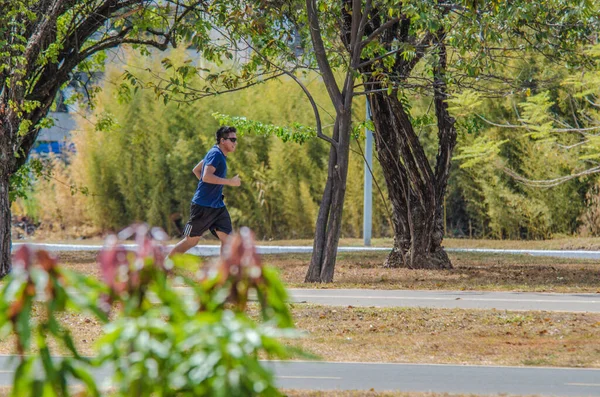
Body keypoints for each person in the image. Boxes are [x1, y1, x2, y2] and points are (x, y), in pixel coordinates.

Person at [168, 126, 241, 258]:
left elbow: (196, 170)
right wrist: (230, 182)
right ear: (222, 140)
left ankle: (223, 274)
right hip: (203, 206)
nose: (235, 142)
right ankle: (164, 266)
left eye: (236, 140)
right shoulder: (216, 154)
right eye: (233, 139)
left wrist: (210, 189)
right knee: (191, 241)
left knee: (228, 240)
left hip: (217, 206)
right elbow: (206, 176)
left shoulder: (216, 153)